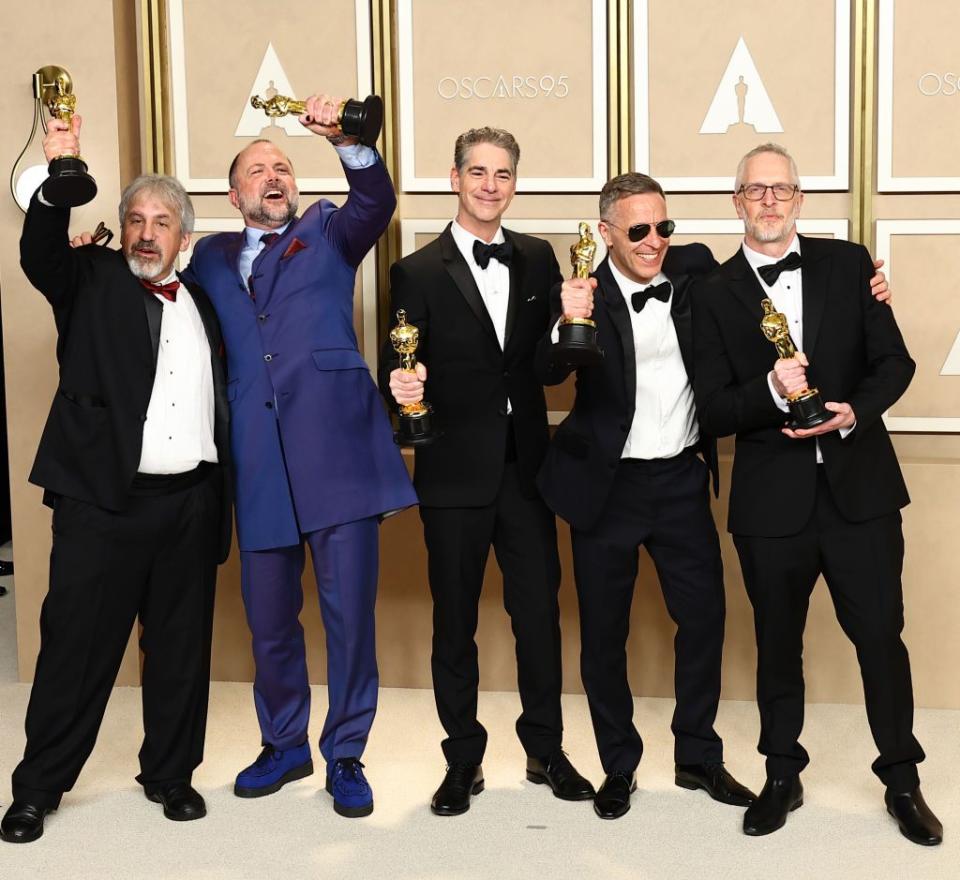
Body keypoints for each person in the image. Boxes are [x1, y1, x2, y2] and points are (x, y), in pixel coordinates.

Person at [534, 172, 893, 821]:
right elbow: (546, 370)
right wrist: (568, 319)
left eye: (663, 227)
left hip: (678, 480)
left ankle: (697, 754)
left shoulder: (698, 269)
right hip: (607, 486)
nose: (653, 242)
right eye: (637, 230)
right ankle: (619, 764)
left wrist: (869, 287)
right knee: (604, 636)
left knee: (704, 623)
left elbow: (769, 281)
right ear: (607, 232)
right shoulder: (578, 290)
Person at [691, 142, 942, 845]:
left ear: (799, 198)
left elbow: (896, 360)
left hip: (861, 490)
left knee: (880, 639)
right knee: (776, 643)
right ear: (736, 202)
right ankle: (781, 774)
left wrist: (854, 410)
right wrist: (772, 392)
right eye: (755, 191)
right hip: (771, 504)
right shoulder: (710, 292)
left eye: (782, 190)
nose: (769, 202)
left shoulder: (850, 263)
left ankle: (900, 778)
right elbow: (710, 409)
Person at [181, 93, 415, 819]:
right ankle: (283, 745)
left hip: (338, 455)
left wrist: (349, 143)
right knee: (270, 617)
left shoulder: (330, 233)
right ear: (234, 193)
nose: (273, 176)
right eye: (257, 170)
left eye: (282, 166)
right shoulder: (210, 259)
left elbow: (374, 197)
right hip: (257, 464)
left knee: (350, 617)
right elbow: (155, 306)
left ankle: (345, 754)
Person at [1, 115, 231, 844]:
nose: (145, 231)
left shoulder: (206, 306)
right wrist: (59, 170)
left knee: (179, 648)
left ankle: (169, 774)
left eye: (162, 221)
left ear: (183, 239)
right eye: (135, 218)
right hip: (104, 502)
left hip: (190, 503)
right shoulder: (89, 278)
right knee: (75, 647)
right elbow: (42, 254)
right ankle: (38, 787)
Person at [379, 127, 594, 816]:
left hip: (527, 469)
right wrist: (402, 391)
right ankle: (462, 760)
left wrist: (567, 333)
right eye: (478, 172)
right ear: (454, 177)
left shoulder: (537, 259)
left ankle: (545, 750)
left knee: (538, 615)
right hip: (451, 471)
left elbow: (545, 371)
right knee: (455, 623)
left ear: (514, 183)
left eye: (502, 174)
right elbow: (406, 370)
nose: (489, 185)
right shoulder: (414, 271)